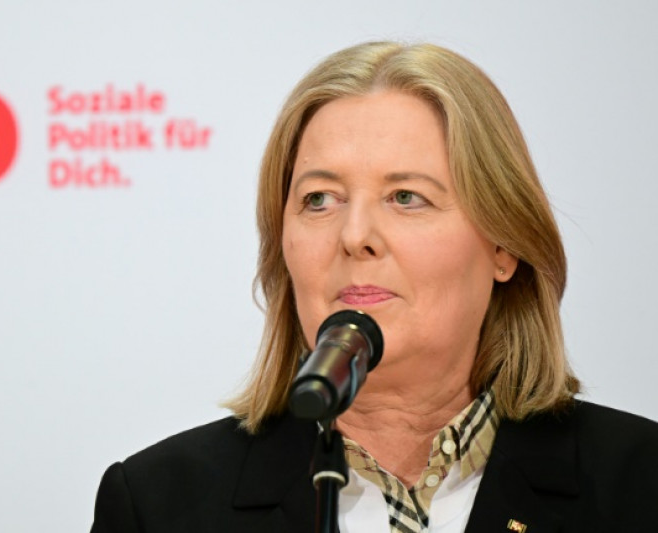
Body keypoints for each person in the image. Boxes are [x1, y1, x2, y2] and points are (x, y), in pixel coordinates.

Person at [89, 41, 658, 533]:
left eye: (406, 197)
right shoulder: (158, 504)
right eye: (319, 199)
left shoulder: (641, 484)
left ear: (503, 245)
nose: (355, 235)